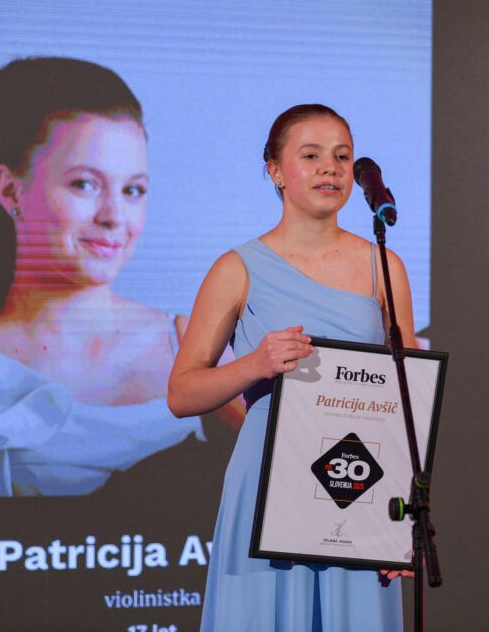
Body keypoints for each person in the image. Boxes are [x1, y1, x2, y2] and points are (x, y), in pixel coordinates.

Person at [0, 56, 239, 498]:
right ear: (11, 190)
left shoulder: (196, 347)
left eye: (132, 190)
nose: (114, 216)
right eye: (84, 184)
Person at [168, 104, 417, 631]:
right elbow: (182, 394)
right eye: (311, 155)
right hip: (268, 485)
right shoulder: (237, 269)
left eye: (342, 157)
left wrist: (399, 522)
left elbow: (407, 402)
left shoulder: (383, 267)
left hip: (356, 483)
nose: (331, 168)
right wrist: (255, 364)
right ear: (276, 171)